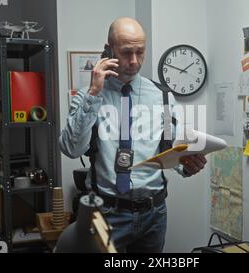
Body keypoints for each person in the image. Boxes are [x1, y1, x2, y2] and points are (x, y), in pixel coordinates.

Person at [59, 17, 207, 253]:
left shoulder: (163, 97)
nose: (134, 61)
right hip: (105, 214)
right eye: (127, 52)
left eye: (140, 52)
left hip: (154, 213)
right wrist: (95, 92)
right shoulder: (89, 95)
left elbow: (172, 148)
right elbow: (71, 148)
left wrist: (187, 164)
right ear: (108, 50)